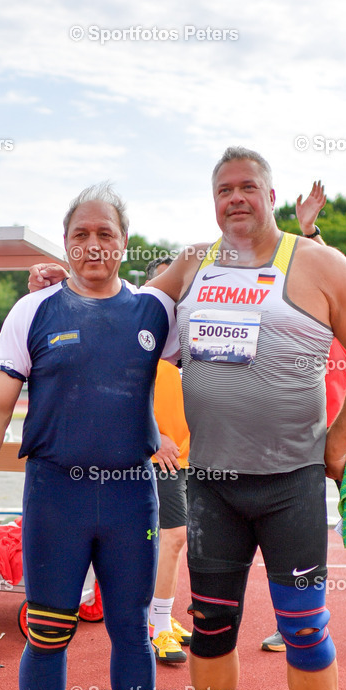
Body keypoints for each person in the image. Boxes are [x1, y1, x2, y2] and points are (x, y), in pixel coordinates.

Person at [29, 149, 346, 690]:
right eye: (223, 189)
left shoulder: (318, 264)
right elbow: (124, 311)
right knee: (211, 630)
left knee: (305, 631)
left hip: (288, 484)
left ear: (268, 193)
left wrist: (337, 441)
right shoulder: (194, 261)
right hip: (212, 488)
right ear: (212, 199)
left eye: (246, 188)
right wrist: (66, 285)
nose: (235, 198)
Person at [0, 184, 180, 690]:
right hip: (55, 495)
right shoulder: (34, 312)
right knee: (48, 633)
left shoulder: (155, 314)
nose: (92, 245)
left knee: (132, 633)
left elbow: (221, 310)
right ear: (67, 242)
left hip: (132, 496)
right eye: (80, 234)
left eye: (104, 233)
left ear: (124, 243)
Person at [261, 185, 346, 655]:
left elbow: (324, 264)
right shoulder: (299, 318)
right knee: (297, 533)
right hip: (300, 434)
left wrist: (310, 230)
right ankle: (293, 621)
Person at [144, 256, 193, 664]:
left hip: (187, 453)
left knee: (175, 541)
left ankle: (162, 616)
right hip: (160, 454)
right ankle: (157, 625)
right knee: (173, 538)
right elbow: (123, 393)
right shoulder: (142, 335)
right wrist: (154, 437)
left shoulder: (188, 336)